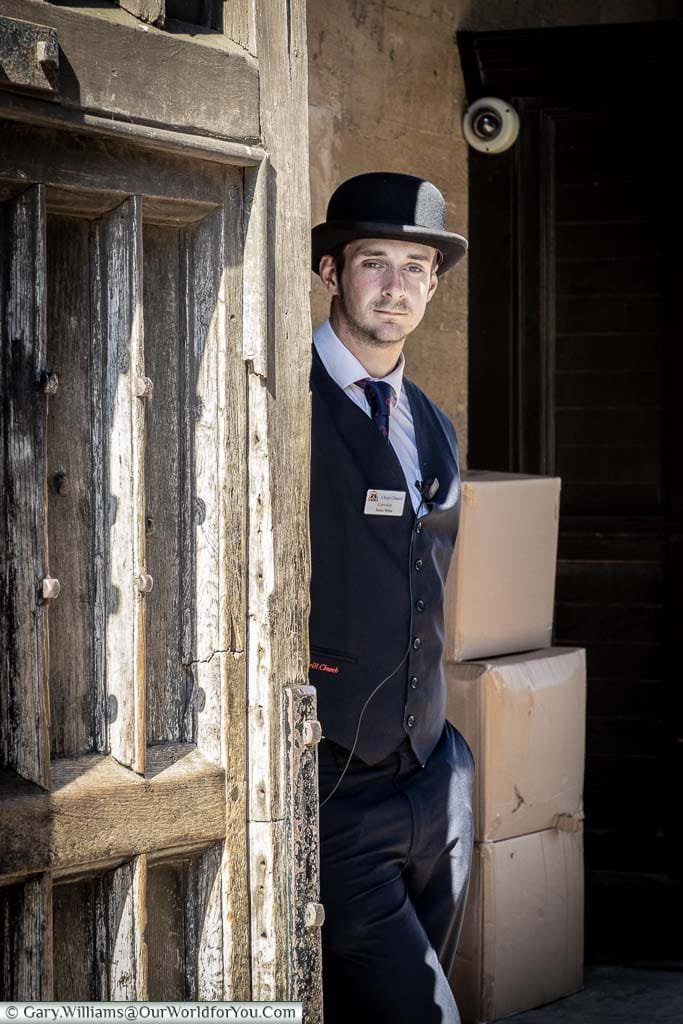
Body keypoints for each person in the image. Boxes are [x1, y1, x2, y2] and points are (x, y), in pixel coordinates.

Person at [308, 171, 475, 1024]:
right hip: (333, 774)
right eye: (375, 262)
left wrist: (447, 762)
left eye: (416, 268)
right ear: (331, 271)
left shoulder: (432, 422)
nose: (396, 287)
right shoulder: (280, 403)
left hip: (433, 773)